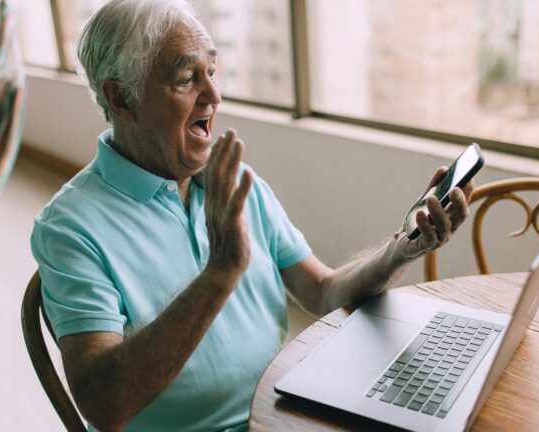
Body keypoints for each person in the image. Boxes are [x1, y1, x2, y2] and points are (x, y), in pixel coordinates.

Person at [30, 0, 474, 431]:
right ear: (121, 99)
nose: (213, 95)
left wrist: (399, 250)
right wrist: (220, 272)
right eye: (186, 78)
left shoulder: (236, 183)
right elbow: (105, 406)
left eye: (212, 72)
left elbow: (321, 291)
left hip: (284, 412)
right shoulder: (69, 228)